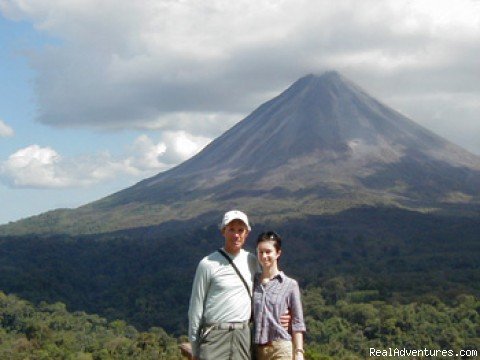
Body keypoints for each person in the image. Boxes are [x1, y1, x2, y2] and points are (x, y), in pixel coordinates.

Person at [188, 210, 258, 360]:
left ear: (247, 233)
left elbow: (268, 287)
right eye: (231, 229)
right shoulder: (207, 264)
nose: (236, 235)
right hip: (215, 336)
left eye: (240, 230)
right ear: (223, 231)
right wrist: (194, 348)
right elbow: (196, 307)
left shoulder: (252, 261)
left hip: (242, 336)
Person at [253, 231, 306, 360]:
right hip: (256, 350)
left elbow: (297, 322)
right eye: (261, 252)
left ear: (278, 253)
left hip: (280, 348)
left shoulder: (289, 285)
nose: (264, 256)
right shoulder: (253, 283)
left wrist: (299, 352)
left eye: (268, 251)